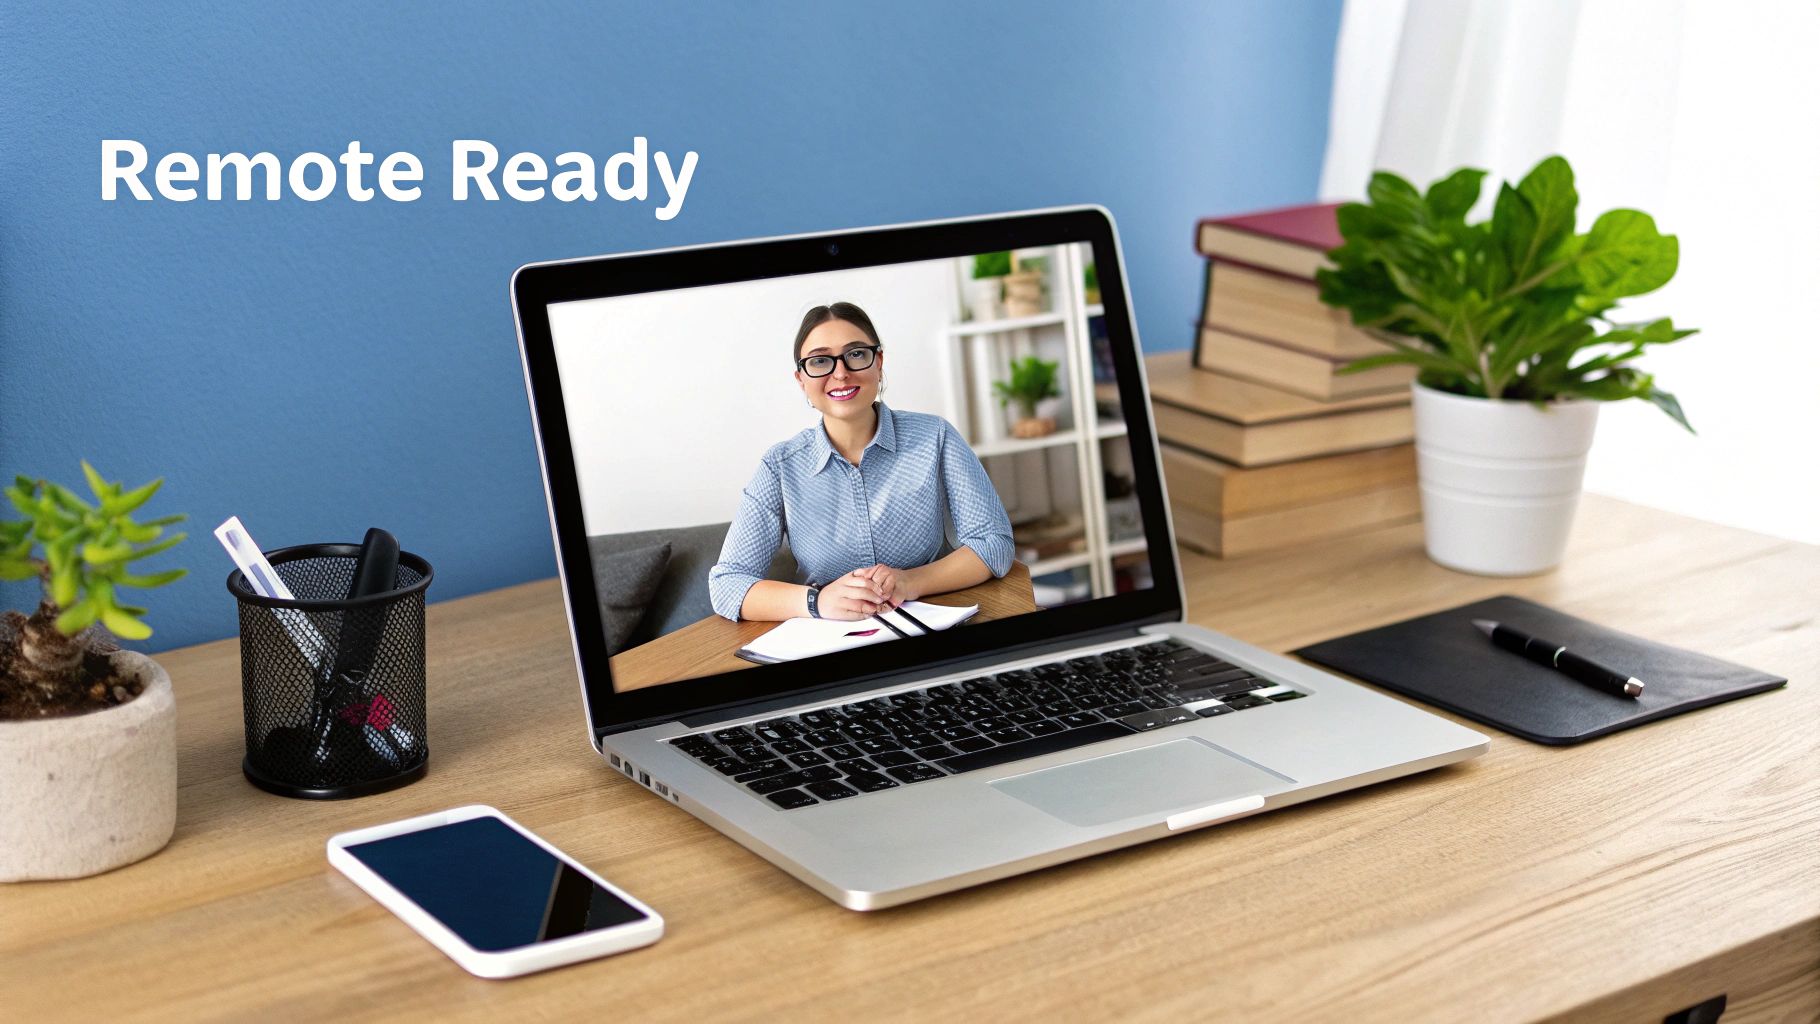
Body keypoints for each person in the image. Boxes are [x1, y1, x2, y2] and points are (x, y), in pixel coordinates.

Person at [709, 302, 1014, 622]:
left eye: (856, 354)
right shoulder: (779, 467)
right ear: (801, 380)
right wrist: (818, 601)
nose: (840, 373)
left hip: (931, 624)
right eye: (820, 361)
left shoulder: (935, 437)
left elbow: (994, 544)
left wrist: (910, 581)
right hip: (831, 640)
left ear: (878, 362)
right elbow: (727, 584)